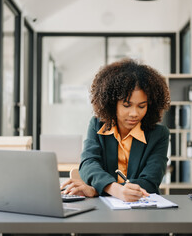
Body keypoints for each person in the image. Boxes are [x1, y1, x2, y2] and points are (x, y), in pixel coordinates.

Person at [61, 58, 170, 202]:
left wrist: (98, 190)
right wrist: (115, 189)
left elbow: (150, 181)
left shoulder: (159, 134)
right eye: (127, 105)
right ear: (112, 104)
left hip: (143, 208)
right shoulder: (97, 125)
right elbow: (88, 163)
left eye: (141, 106)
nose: (134, 113)